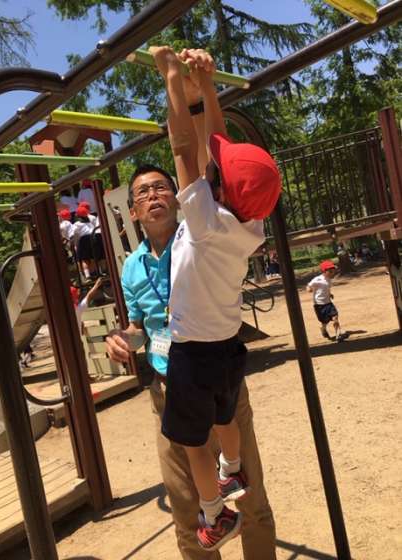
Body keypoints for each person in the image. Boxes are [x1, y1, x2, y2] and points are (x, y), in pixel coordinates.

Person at [106, 49, 276, 560]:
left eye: (163, 187)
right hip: (179, 374)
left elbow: (191, 148)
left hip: (197, 362)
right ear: (134, 211)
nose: (156, 195)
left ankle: (224, 508)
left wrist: (178, 82)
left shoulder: (197, 226)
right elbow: (215, 154)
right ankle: (224, 486)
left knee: (248, 501)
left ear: (178, 197)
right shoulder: (244, 226)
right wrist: (124, 338)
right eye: (144, 193)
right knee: (187, 504)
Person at [306, 260, 345, 342]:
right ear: (324, 271)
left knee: (335, 318)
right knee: (324, 321)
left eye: (333, 271)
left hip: (328, 303)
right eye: (330, 271)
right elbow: (309, 286)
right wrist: (309, 289)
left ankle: (338, 335)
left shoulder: (329, 279)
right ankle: (323, 329)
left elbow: (327, 288)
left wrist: (330, 294)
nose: (332, 273)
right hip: (319, 305)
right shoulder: (317, 279)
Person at [71, 205, 96, 279]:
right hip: (93, 240)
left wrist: (75, 244)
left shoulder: (77, 224)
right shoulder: (90, 223)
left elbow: (73, 235)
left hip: (83, 242)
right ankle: (94, 272)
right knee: (92, 257)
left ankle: (87, 275)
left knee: (84, 259)